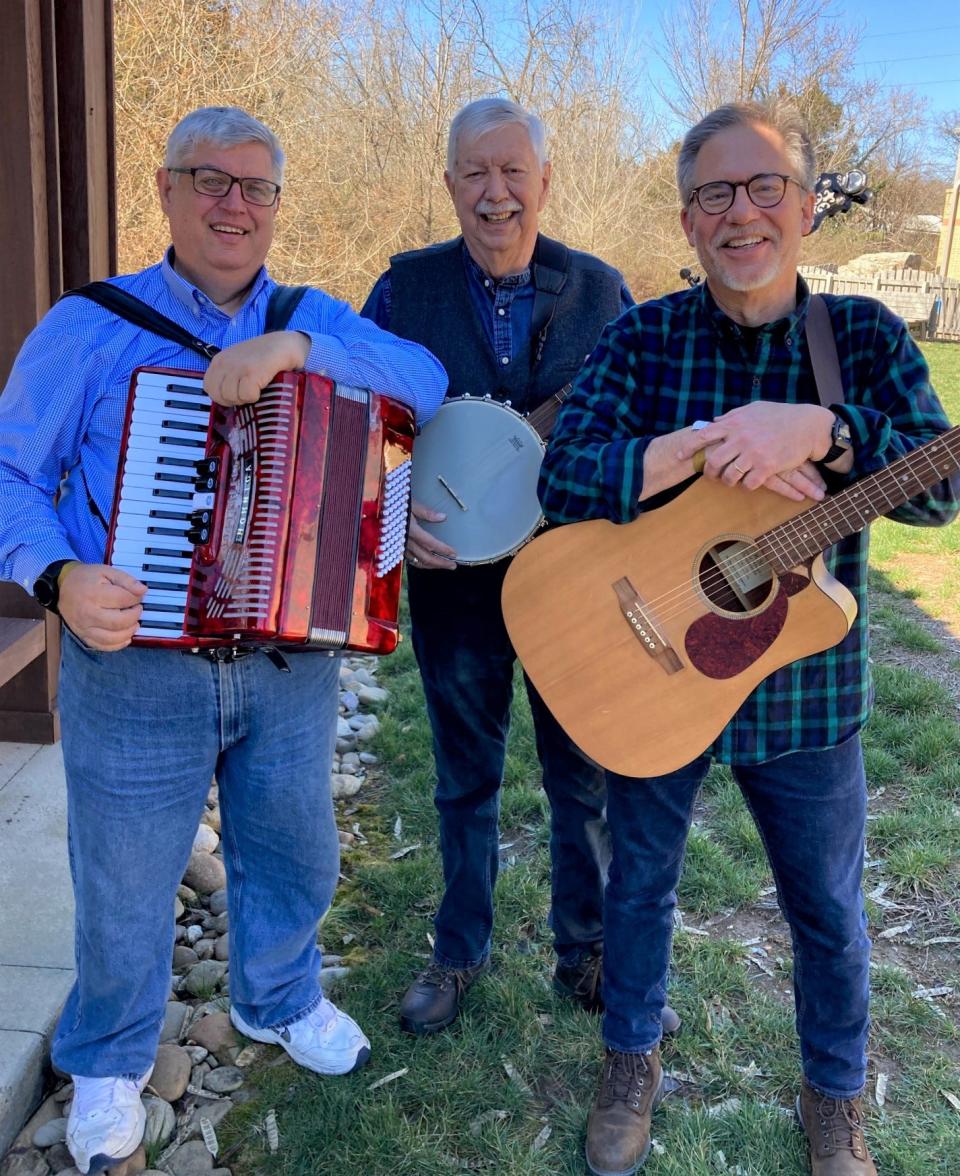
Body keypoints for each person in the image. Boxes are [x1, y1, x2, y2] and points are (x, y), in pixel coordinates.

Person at [0, 106, 446, 1175]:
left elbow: (421, 381)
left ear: (277, 205)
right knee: (123, 871)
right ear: (164, 190)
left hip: (291, 665)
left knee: (294, 849)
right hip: (137, 663)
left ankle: (279, 996)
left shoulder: (310, 313)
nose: (234, 205)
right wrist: (58, 576)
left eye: (256, 187)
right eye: (211, 181)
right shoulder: (93, 323)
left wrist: (299, 348)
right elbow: (12, 475)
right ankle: (107, 1056)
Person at [538, 99, 959, 1176]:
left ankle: (836, 1097)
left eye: (765, 186)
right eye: (715, 193)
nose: (742, 213)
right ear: (686, 221)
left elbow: (935, 490)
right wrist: (691, 451)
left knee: (824, 907)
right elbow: (564, 471)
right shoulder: (643, 336)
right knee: (639, 884)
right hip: (656, 667)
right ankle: (630, 1059)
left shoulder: (862, 338)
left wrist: (826, 430)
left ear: (807, 206)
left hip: (806, 686)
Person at [363, 97, 680, 1037]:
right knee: (464, 777)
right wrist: (387, 504)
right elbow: (359, 418)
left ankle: (584, 953)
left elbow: (643, 427)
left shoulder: (599, 290)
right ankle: (459, 951)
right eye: (475, 174)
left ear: (545, 181)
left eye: (514, 173)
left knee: (580, 773)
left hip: (573, 575)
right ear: (450, 181)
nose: (495, 194)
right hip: (453, 575)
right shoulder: (403, 290)